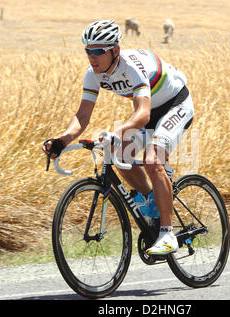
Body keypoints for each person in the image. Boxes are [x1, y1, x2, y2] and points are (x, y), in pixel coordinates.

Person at [42, 20, 194, 255]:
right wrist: (62, 141)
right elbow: (83, 115)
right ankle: (153, 201)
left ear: (115, 51)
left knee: (153, 161)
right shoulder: (93, 74)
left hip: (174, 104)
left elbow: (142, 114)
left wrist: (116, 132)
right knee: (117, 154)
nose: (92, 57)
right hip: (151, 110)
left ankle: (167, 234)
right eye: (88, 51)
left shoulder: (131, 66)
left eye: (98, 51)